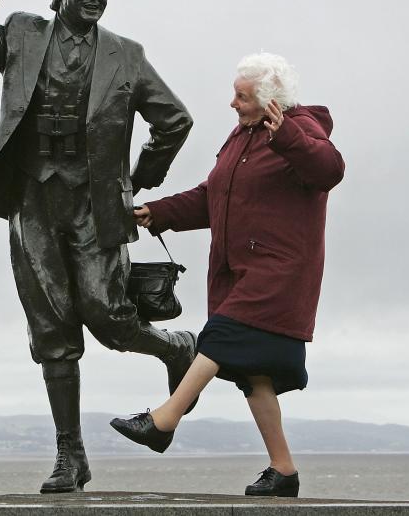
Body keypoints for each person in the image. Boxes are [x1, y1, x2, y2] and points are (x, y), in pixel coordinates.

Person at [0, 0, 196, 493]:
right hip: (32, 197)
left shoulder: (126, 55)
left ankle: (175, 347)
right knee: (52, 330)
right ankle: (69, 454)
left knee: (109, 317)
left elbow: (174, 120)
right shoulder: (23, 35)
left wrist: (138, 179)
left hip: (92, 201)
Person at [110, 53, 345, 498]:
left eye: (242, 96)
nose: (232, 103)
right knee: (254, 376)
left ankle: (164, 420)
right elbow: (211, 197)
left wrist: (288, 135)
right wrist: (156, 212)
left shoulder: (301, 127)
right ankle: (284, 471)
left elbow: (329, 170)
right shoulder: (241, 138)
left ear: (270, 99)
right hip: (238, 270)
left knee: (218, 336)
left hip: (280, 270)